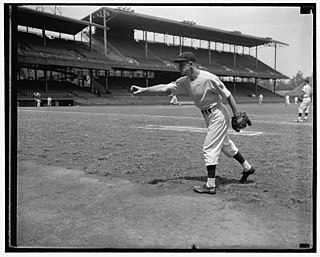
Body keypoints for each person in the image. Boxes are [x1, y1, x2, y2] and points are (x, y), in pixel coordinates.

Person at [131, 52, 255, 195]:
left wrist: (236, 114)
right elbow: (166, 87)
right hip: (208, 116)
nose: (178, 66)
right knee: (226, 146)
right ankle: (247, 168)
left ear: (190, 64)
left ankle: (210, 185)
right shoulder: (185, 81)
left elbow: (227, 95)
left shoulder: (208, 78)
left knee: (209, 148)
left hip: (218, 114)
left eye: (181, 64)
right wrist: (144, 90)